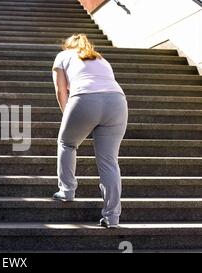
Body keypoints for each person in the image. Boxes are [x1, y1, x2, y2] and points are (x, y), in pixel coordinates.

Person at [51, 34, 128, 228]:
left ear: (68, 46)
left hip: (85, 99)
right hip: (117, 102)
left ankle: (67, 190)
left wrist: (68, 115)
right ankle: (112, 217)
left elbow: (61, 91)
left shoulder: (63, 55)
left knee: (67, 143)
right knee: (109, 161)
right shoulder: (101, 58)